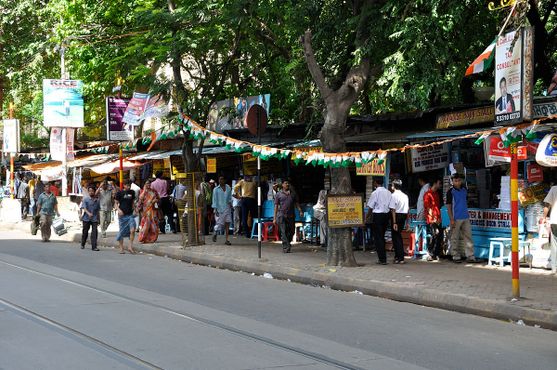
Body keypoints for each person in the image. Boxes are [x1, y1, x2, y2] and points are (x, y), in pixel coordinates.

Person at [446, 173, 475, 263]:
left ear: (461, 180)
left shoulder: (464, 189)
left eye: (459, 180)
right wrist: (451, 218)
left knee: (468, 237)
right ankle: (455, 255)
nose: (457, 182)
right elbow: (449, 206)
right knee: (455, 237)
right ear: (452, 181)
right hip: (456, 218)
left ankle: (470, 256)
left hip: (465, 216)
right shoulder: (450, 192)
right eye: (455, 181)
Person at [366, 177, 392, 265]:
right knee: (382, 236)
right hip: (386, 215)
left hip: (378, 216)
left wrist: (367, 217)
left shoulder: (375, 193)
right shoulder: (388, 192)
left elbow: (370, 207)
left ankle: (382, 259)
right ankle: (382, 257)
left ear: (376, 183)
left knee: (378, 237)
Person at [274, 180, 303, 253]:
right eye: (285, 183)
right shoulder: (278, 194)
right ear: (282, 185)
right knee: (283, 232)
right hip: (281, 215)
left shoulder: (293, 194)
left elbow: (296, 203)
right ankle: (286, 247)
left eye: (288, 183)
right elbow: (276, 206)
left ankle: (288, 242)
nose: (287, 184)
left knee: (292, 231)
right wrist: (274, 218)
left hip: (291, 215)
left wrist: (300, 211)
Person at [389, 179, 409, 264]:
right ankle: (398, 256)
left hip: (396, 216)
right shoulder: (405, 196)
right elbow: (407, 209)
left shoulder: (393, 195)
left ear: (394, 186)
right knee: (398, 235)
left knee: (396, 237)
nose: (391, 186)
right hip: (403, 216)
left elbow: (393, 210)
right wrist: (407, 222)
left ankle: (399, 257)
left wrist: (394, 222)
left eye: (392, 185)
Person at [114, 180, 137, 254]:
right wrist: (119, 210)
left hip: (130, 215)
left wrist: (135, 209)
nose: (128, 187)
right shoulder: (119, 193)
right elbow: (115, 204)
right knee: (122, 232)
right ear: (124, 185)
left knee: (132, 230)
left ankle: (130, 246)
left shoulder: (132, 192)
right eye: (127, 185)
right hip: (122, 216)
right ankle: (121, 248)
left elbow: (132, 202)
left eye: (129, 185)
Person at [424, 178, 443, 261]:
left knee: (439, 236)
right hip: (431, 219)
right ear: (435, 183)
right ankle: (430, 252)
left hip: (437, 218)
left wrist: (439, 218)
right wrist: (434, 218)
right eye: (439, 183)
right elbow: (428, 208)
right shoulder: (427, 194)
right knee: (435, 234)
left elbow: (437, 207)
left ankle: (435, 254)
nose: (440, 185)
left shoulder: (437, 194)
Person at [211, 176, 232, 245]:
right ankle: (215, 231)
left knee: (228, 223)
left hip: (227, 208)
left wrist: (231, 205)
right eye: (219, 179)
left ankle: (227, 239)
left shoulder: (228, 188)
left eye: (222, 179)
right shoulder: (216, 189)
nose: (220, 180)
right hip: (219, 209)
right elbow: (214, 200)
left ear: (225, 180)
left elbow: (229, 198)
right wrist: (215, 209)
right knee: (219, 223)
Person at [80, 186, 100, 251]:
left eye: (92, 191)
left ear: (94, 192)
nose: (91, 192)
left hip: (94, 218)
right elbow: (84, 208)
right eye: (90, 191)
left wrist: (98, 219)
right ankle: (83, 243)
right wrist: (88, 213)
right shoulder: (85, 199)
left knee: (94, 232)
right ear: (88, 192)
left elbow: (98, 210)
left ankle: (94, 246)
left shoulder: (97, 200)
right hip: (86, 218)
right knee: (85, 232)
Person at [542, 184, 557, 273]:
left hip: (555, 220)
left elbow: (547, 205)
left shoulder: (554, 188)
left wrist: (544, 217)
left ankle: (554, 268)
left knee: (554, 244)